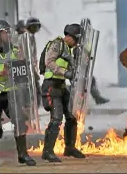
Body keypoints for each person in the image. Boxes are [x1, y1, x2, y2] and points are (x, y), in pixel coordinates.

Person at [40, 23, 86, 162]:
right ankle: (47, 151)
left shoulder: (68, 49)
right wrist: (65, 73)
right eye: (77, 40)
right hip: (51, 85)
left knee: (71, 116)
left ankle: (69, 148)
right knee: (56, 118)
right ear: (72, 37)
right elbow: (49, 62)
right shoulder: (57, 44)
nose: (77, 43)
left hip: (60, 85)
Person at [0, 20, 36, 166]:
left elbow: (20, 71)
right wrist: (1, 72)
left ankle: (23, 154)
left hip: (11, 93)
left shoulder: (13, 50)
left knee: (20, 121)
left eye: (8, 31)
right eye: (4, 32)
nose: (7, 34)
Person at [16, 18, 42, 107]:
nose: (34, 30)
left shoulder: (31, 37)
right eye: (33, 27)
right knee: (27, 89)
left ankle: (33, 107)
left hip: (31, 66)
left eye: (36, 27)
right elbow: (22, 54)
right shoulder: (23, 37)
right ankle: (28, 107)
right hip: (24, 66)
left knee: (36, 88)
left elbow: (33, 54)